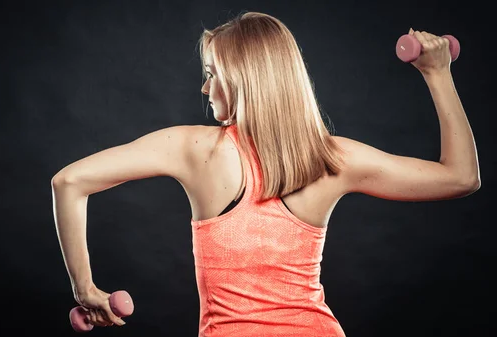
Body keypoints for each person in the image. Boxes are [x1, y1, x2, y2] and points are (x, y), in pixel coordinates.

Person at [51, 11, 480, 336]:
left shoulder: (191, 147)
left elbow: (68, 181)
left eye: (211, 75)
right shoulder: (335, 158)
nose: (204, 89)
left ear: (242, 79)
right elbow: (461, 177)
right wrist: (437, 73)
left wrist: (85, 289)